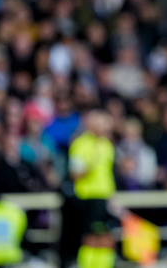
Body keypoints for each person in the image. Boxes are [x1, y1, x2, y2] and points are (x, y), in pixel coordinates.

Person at [67, 110, 116, 268]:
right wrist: (90, 164)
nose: (105, 126)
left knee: (106, 238)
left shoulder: (107, 144)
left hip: (104, 197)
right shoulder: (80, 144)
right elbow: (75, 174)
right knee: (90, 238)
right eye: (101, 123)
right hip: (88, 197)